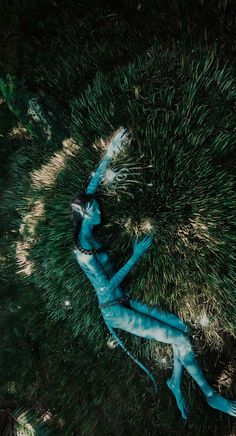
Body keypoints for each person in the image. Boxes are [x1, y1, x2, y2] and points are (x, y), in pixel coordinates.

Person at [71, 127, 236, 420]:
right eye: (94, 210)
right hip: (115, 310)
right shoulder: (84, 254)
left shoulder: (87, 225)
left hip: (125, 300)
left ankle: (175, 381)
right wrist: (135, 256)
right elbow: (107, 288)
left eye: (96, 207)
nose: (99, 211)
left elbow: (93, 184)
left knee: (181, 329)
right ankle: (210, 395)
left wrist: (111, 150)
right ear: (85, 215)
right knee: (181, 339)